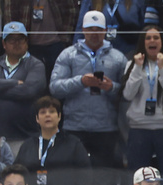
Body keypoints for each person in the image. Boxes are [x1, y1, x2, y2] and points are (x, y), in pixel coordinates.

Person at [49, 10, 128, 169]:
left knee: (103, 178)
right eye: (90, 29)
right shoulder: (68, 55)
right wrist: (81, 81)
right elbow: (54, 88)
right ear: (83, 30)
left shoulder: (118, 58)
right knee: (73, 177)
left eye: (99, 29)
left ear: (105, 30)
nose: (94, 33)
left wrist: (111, 87)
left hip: (106, 129)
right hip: (74, 127)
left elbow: (129, 93)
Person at [121, 25, 163, 185]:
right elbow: (127, 94)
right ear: (143, 42)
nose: (152, 41)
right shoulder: (132, 64)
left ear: (162, 41)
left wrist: (162, 69)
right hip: (139, 129)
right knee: (136, 177)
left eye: (156, 37)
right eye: (148, 38)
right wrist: (136, 67)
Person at [0, 22, 47, 146]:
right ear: (4, 44)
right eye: (12, 40)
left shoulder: (36, 65)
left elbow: (29, 91)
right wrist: (14, 83)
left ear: (26, 41)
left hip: (25, 136)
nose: (17, 43)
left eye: (20, 39)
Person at [7, 0, 80, 79]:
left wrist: (64, 36)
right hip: (28, 46)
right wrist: (18, 40)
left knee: (57, 83)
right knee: (32, 83)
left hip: (56, 44)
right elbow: (9, 15)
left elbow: (71, 11)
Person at [74, 0, 145, 57]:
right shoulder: (90, 1)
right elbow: (81, 26)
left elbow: (144, 28)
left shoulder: (137, 1)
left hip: (129, 52)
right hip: (99, 55)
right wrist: (75, 52)